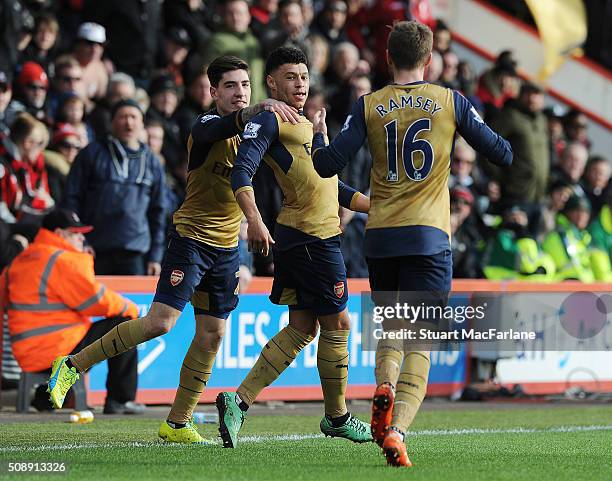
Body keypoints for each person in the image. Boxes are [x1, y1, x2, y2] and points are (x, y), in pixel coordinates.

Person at [47, 55, 299, 443]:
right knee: (160, 323)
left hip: (228, 249)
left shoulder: (258, 132)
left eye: (245, 85)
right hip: (191, 240)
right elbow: (229, 124)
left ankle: (177, 423)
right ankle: (72, 365)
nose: (239, 92)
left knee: (212, 336)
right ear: (213, 92)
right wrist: (260, 106)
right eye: (230, 86)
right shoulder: (204, 126)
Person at [311, 21, 512, 467]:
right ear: (429, 59)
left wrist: (320, 134)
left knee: (392, 330)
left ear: (387, 58)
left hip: (380, 236)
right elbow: (502, 153)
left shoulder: (369, 105)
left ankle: (382, 386)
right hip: (428, 235)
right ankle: (397, 431)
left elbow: (327, 165)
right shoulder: (449, 101)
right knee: (419, 339)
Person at [216, 46, 371, 449]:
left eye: (303, 77)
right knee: (339, 324)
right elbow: (241, 170)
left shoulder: (301, 123)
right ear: (272, 83)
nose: (300, 84)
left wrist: (376, 206)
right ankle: (337, 416)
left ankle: (238, 400)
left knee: (302, 328)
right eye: (290, 77)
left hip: (309, 236)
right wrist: (253, 219)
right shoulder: (270, 118)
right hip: (309, 239)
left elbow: (330, 185)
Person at [2, 208, 143, 414]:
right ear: (59, 234)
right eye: (76, 233)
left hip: (29, 355)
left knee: (82, 336)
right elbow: (95, 300)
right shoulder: (61, 259)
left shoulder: (22, 259)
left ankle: (45, 399)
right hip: (57, 350)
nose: (81, 237)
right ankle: (119, 400)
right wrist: (130, 308)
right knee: (125, 326)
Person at [63, 99, 167, 275]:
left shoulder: (152, 162)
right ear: (111, 122)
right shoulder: (91, 153)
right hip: (94, 250)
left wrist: (155, 256)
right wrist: (80, 241)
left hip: (135, 253)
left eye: (133, 117)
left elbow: (158, 212)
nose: (128, 122)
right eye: (122, 117)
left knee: (131, 303)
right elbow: (71, 199)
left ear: (142, 124)